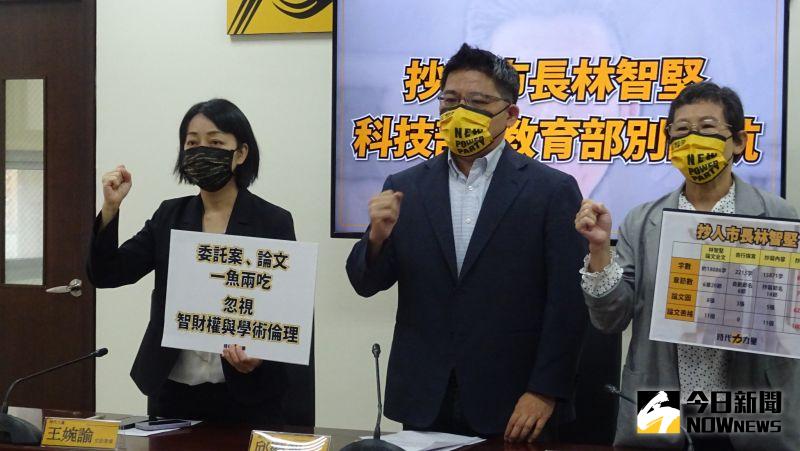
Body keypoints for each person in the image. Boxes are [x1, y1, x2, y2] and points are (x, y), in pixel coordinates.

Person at [346, 43, 588, 442]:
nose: (460, 112)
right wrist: (376, 237)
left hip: (514, 401)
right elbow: (365, 283)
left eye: (477, 102)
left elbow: (568, 303)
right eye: (450, 100)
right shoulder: (406, 187)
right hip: (425, 396)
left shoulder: (551, 190)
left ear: (510, 114)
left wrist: (545, 390)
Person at [575, 81, 799, 450]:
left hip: (748, 398)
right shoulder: (643, 220)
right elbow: (610, 319)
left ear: (738, 142)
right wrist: (600, 250)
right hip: (660, 394)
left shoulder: (777, 217)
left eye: (708, 128)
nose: (693, 140)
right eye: (681, 131)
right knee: (658, 448)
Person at [87, 99, 313, 425]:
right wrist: (110, 209)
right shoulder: (169, 215)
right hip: (173, 389)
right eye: (192, 143)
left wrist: (261, 356)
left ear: (241, 153)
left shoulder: (272, 220)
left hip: (244, 392)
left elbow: (284, 308)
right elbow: (107, 273)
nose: (201, 150)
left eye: (215, 143)